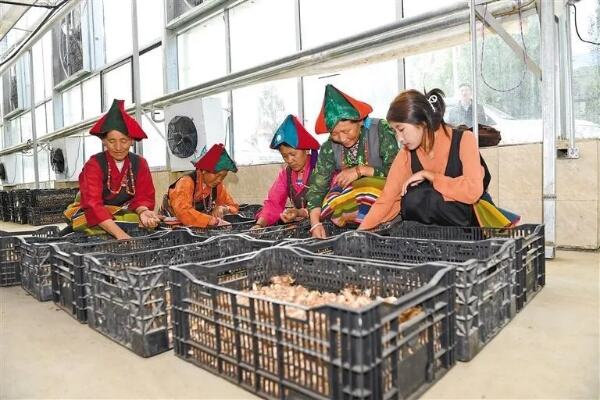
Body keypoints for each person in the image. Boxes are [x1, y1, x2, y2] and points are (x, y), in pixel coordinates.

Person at [359, 88, 518, 230]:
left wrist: (430, 176)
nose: (399, 138)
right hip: (432, 236)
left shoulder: (464, 140)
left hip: (470, 229)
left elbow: (472, 191)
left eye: (401, 129)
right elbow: (387, 199)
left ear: (422, 123)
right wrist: (359, 234)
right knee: (410, 197)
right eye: (395, 132)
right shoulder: (407, 153)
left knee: (419, 195)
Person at [306, 84, 399, 238]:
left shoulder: (380, 130)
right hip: (354, 207)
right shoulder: (329, 147)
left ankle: (368, 227)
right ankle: (357, 231)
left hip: (387, 201)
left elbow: (398, 173)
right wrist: (315, 223)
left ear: (360, 121)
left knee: (368, 185)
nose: (342, 138)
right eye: (335, 134)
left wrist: (361, 171)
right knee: (329, 199)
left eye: (346, 131)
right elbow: (317, 189)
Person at [64, 99, 161, 240]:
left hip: (120, 213)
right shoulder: (94, 164)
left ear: (132, 140)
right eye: (111, 141)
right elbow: (93, 205)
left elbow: (143, 197)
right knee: (89, 224)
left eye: (124, 141)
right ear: (103, 141)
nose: (118, 147)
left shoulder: (140, 163)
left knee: (141, 221)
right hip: (88, 212)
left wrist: (143, 211)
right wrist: (121, 235)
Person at [252, 115, 320, 229]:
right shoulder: (286, 174)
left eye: (293, 154)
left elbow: (330, 203)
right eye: (284, 156)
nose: (289, 160)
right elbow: (273, 203)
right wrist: (259, 225)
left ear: (306, 149)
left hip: (323, 226)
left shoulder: (320, 168)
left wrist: (299, 213)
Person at [160, 143, 239, 228]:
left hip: (197, 227)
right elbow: (183, 212)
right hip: (171, 227)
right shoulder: (186, 182)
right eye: (217, 175)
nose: (219, 180)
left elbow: (234, 207)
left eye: (223, 176)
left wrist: (224, 208)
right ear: (204, 170)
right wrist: (212, 221)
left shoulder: (217, 185)